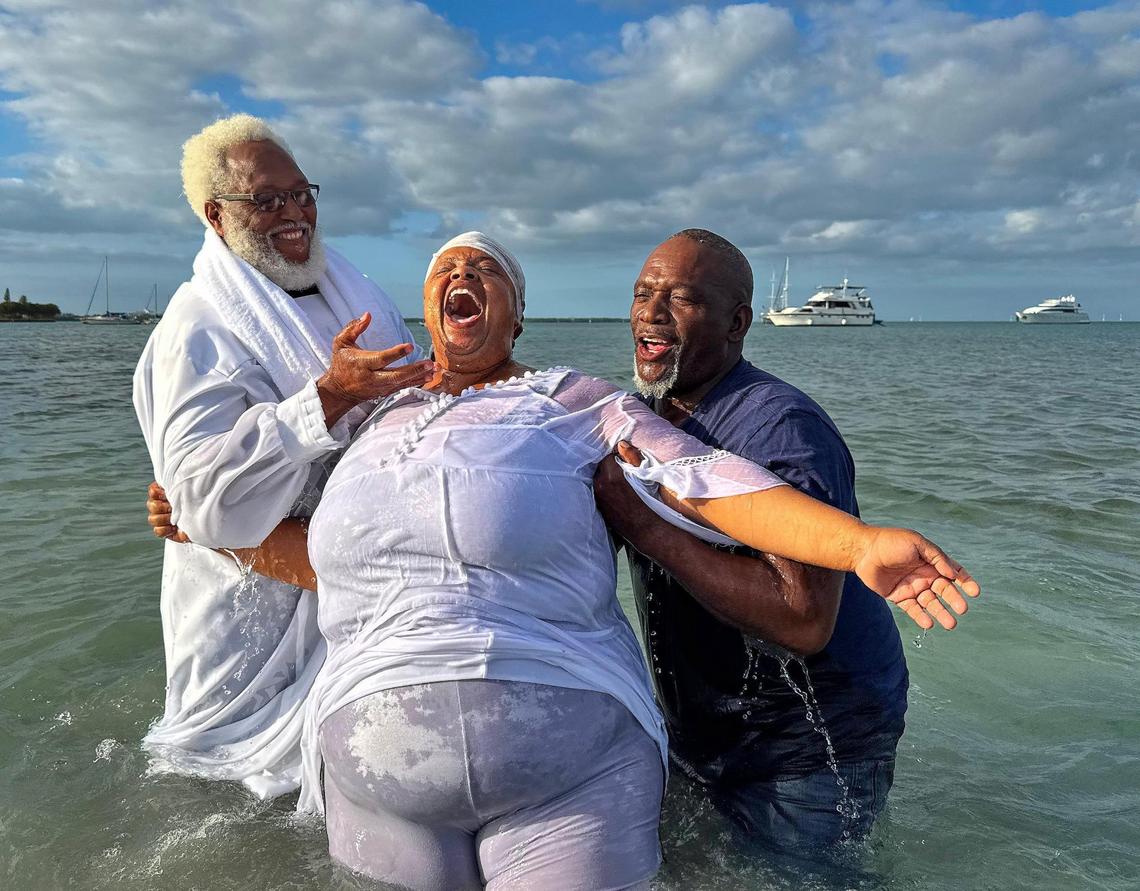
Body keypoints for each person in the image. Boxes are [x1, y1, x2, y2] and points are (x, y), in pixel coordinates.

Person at [155, 231, 977, 889]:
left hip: (581, 760)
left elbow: (703, 480)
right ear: (428, 310)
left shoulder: (574, 399)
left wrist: (859, 541)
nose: (461, 271)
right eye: (445, 266)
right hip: (380, 764)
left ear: (516, 316)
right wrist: (209, 524)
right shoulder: (373, 422)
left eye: (485, 266)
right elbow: (321, 552)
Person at [592, 228, 957, 852]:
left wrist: (644, 523)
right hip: (708, 728)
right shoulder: (651, 416)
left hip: (807, 748)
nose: (652, 313)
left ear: (737, 322)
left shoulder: (781, 428)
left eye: (681, 298)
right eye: (642, 294)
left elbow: (804, 618)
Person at [132, 113, 435, 797]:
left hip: (351, 599)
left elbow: (410, 404)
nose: (294, 212)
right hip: (252, 624)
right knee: (237, 796)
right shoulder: (195, 328)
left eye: (302, 193)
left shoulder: (351, 290)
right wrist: (323, 401)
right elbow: (202, 501)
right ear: (216, 215)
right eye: (266, 200)